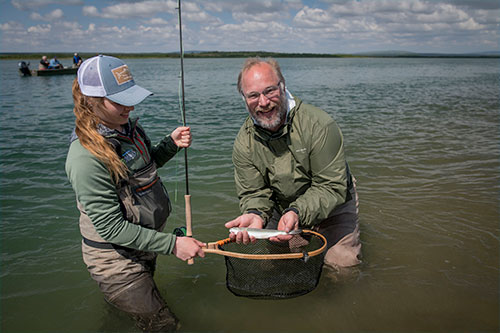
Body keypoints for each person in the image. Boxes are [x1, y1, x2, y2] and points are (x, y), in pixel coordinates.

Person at [65, 55, 205, 331]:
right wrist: (173, 245)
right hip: (115, 261)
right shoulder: (84, 157)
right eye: (119, 101)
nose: (129, 106)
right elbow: (110, 228)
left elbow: (142, 168)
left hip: (141, 246)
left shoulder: (129, 128)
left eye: (131, 97)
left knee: (134, 317)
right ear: (93, 100)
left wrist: (171, 145)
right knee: (165, 326)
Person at [225, 57, 361, 269]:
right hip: (284, 207)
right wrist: (254, 214)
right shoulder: (244, 143)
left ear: (283, 85)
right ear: (244, 98)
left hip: (334, 201)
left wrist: (297, 212)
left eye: (270, 90)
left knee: (341, 263)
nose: (263, 102)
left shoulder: (319, 125)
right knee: (281, 262)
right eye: (253, 95)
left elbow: (331, 186)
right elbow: (254, 193)